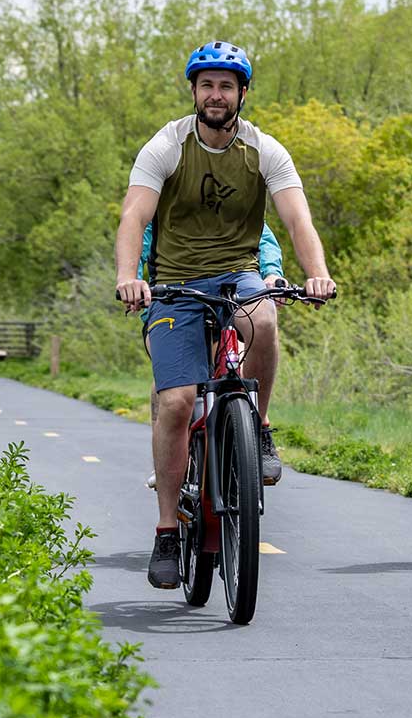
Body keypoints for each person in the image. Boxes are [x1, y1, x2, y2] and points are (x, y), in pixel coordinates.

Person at [116, 40, 337, 589]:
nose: (217, 95)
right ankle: (168, 529)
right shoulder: (166, 145)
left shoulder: (266, 151)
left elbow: (297, 220)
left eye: (227, 86)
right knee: (177, 401)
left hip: (238, 274)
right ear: (194, 91)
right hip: (172, 284)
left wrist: (317, 271)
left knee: (264, 320)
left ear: (242, 93)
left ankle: (257, 428)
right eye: (207, 85)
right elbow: (134, 214)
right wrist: (129, 275)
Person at [139, 223, 284, 489]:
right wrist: (136, 284)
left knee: (247, 353)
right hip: (175, 302)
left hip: (228, 302)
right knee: (169, 381)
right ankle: (165, 460)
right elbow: (138, 245)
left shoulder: (232, 198)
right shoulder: (160, 205)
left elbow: (262, 238)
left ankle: (258, 429)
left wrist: (272, 274)